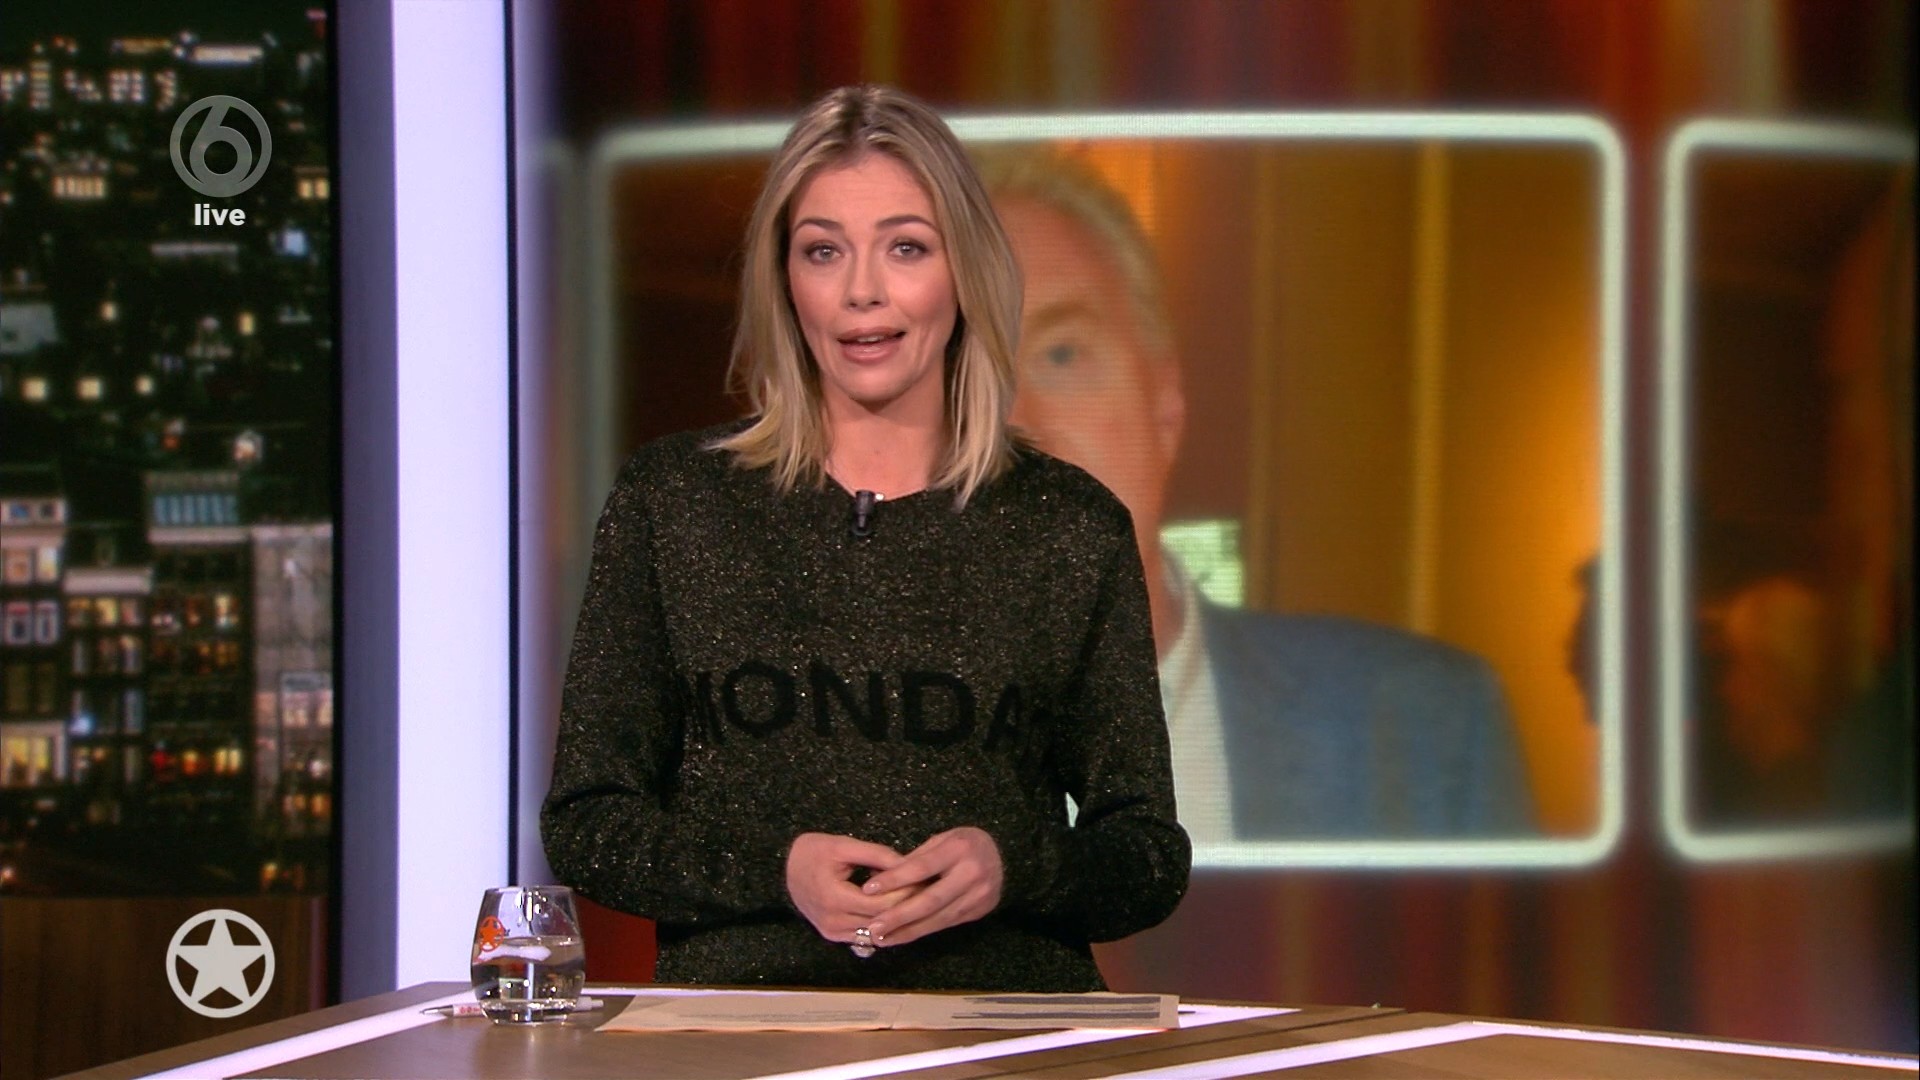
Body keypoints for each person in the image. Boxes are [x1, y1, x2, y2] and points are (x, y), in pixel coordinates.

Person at [542, 87, 1190, 992]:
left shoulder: (1068, 525)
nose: (861, 291)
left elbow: (1146, 854)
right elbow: (587, 823)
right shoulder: (675, 502)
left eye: (905, 247)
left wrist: (1012, 867)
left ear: (964, 270)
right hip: (743, 1026)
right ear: (784, 279)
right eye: (823, 250)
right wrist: (775, 871)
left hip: (1001, 1025)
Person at [981, 151, 1536, 842]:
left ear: (1164, 409)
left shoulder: (1426, 732)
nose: (1013, 427)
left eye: (1062, 355)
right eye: (949, 372)